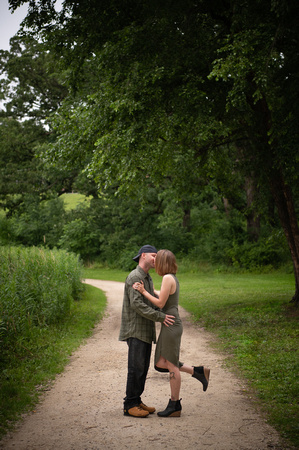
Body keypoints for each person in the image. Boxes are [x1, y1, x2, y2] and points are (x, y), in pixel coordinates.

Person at [133, 249, 210, 417]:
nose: (155, 263)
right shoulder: (171, 278)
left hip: (171, 324)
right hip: (171, 324)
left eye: (157, 260)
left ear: (162, 263)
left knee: (171, 364)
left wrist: (144, 292)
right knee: (162, 362)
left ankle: (174, 404)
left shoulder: (168, 278)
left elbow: (161, 304)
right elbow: (164, 296)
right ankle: (197, 371)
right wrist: (151, 290)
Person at [119, 245, 175, 418]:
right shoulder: (135, 276)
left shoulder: (146, 278)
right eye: (153, 256)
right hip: (135, 329)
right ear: (143, 255)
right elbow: (137, 305)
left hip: (144, 330)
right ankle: (130, 404)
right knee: (135, 368)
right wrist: (160, 316)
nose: (156, 259)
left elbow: (150, 300)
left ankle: (137, 400)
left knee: (142, 368)